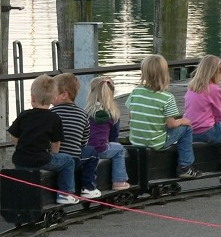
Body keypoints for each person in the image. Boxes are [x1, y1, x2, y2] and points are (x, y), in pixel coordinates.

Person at [8, 75, 79, 204]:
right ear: (53, 99)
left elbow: (13, 135)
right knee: (68, 161)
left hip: (20, 159)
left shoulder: (24, 115)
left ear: (32, 98)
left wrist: (21, 146)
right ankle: (65, 193)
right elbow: (56, 142)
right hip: (40, 159)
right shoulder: (54, 118)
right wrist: (53, 155)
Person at [126, 54, 200, 179]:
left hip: (135, 139)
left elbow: (130, 115)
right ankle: (184, 166)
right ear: (164, 73)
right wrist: (183, 121)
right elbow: (171, 124)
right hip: (155, 142)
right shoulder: (167, 97)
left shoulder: (135, 92)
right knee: (186, 129)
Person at [51, 73, 101, 199]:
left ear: (64, 94)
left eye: (52, 92)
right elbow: (84, 141)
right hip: (74, 159)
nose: (49, 96)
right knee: (92, 152)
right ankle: (88, 187)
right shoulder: (83, 114)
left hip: (54, 158)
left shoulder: (51, 114)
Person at [85, 76, 131, 190]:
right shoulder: (112, 114)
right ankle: (119, 181)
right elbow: (113, 137)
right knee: (119, 149)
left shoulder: (87, 112)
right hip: (101, 149)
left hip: (87, 149)